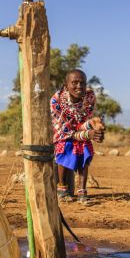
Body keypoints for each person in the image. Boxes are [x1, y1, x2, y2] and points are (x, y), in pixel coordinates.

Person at [50, 69, 104, 205]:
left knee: (85, 149)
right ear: (66, 84)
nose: (79, 86)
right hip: (61, 134)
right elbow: (64, 131)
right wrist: (88, 134)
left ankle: (82, 191)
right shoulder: (57, 101)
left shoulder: (89, 97)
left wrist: (95, 129)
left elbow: (83, 123)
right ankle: (62, 188)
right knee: (65, 147)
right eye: (74, 82)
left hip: (77, 132)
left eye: (82, 83)